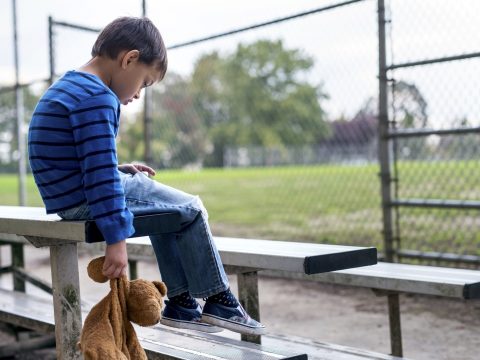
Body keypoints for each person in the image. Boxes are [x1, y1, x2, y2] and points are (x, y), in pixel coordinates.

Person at [28, 16, 265, 336]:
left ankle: (181, 303)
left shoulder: (71, 85)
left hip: (69, 198)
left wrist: (120, 169)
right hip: (85, 199)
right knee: (191, 209)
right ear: (129, 59)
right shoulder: (98, 96)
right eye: (144, 82)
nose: (140, 94)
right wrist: (116, 239)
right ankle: (217, 299)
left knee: (168, 211)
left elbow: (81, 158)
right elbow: (98, 175)